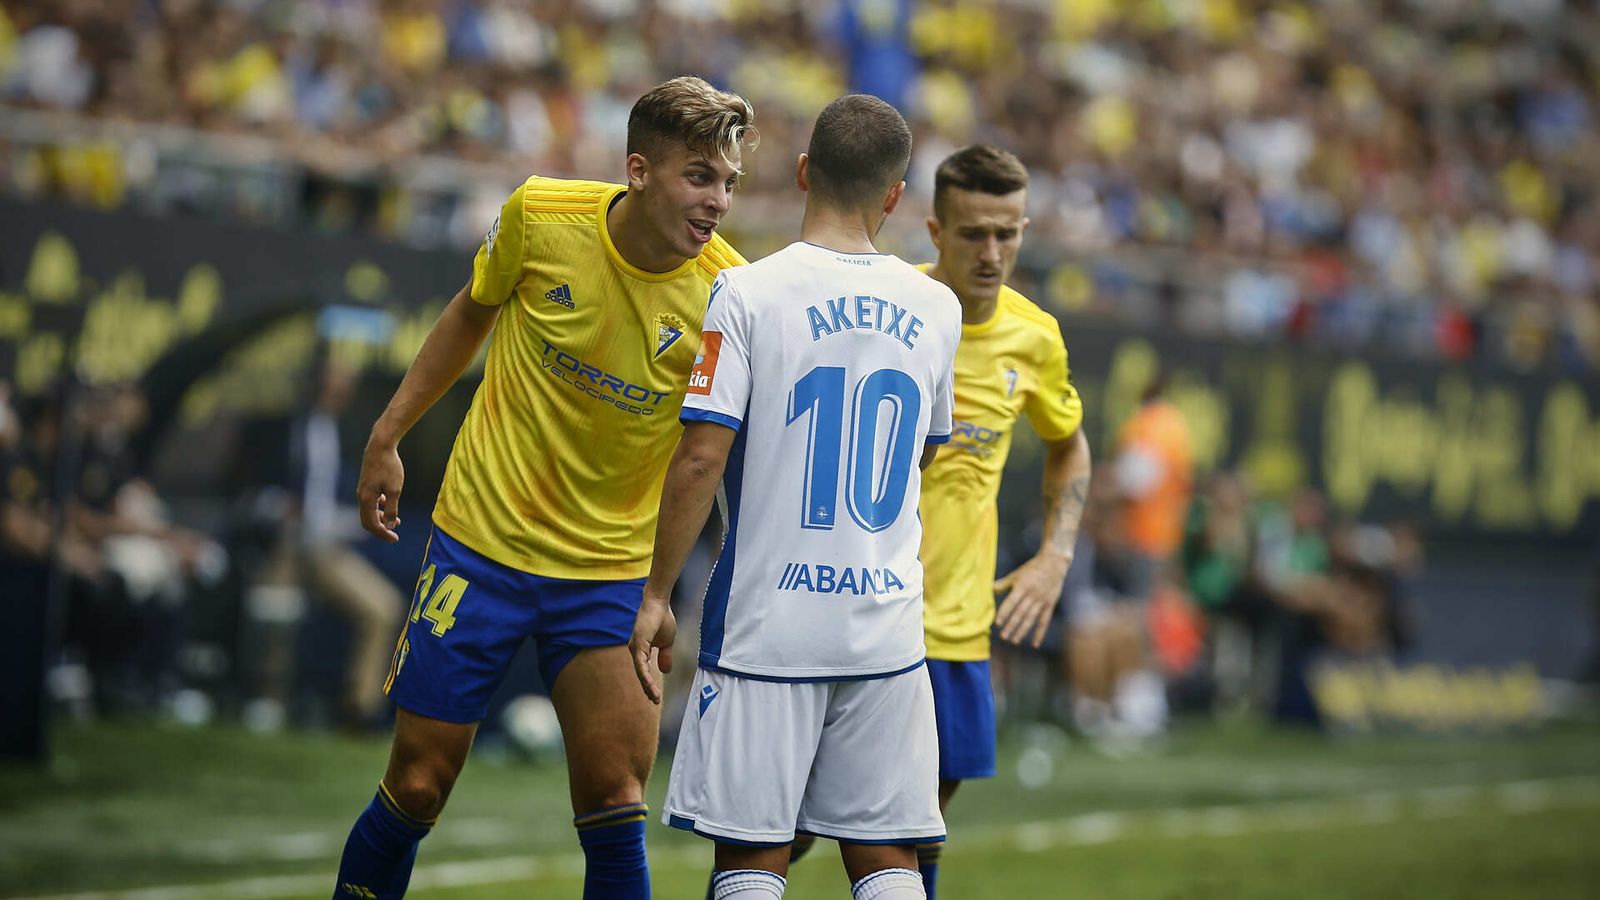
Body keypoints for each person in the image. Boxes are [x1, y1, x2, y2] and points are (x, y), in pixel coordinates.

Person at [331, 76, 758, 900]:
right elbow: (470, 311)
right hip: (479, 547)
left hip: (608, 576)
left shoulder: (730, 294)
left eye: (730, 183)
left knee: (614, 801)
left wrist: (662, 593)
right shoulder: (541, 215)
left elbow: (710, 458)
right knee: (417, 786)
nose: (719, 202)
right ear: (639, 170)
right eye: (700, 176)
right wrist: (387, 434)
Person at [631, 94, 961, 900]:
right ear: (895, 195)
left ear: (806, 172)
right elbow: (919, 458)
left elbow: (702, 458)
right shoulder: (939, 307)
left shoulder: (747, 292)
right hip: (884, 625)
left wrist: (657, 592)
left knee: (752, 859)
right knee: (886, 860)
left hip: (768, 627)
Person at [912, 144, 1092, 897]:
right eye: (973, 233)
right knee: (786, 833)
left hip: (957, 624)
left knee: (920, 828)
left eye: (1008, 233)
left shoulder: (1035, 336)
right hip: (856, 612)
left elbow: (1070, 445)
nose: (993, 253)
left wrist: (1054, 557)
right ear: (934, 231)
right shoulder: (891, 312)